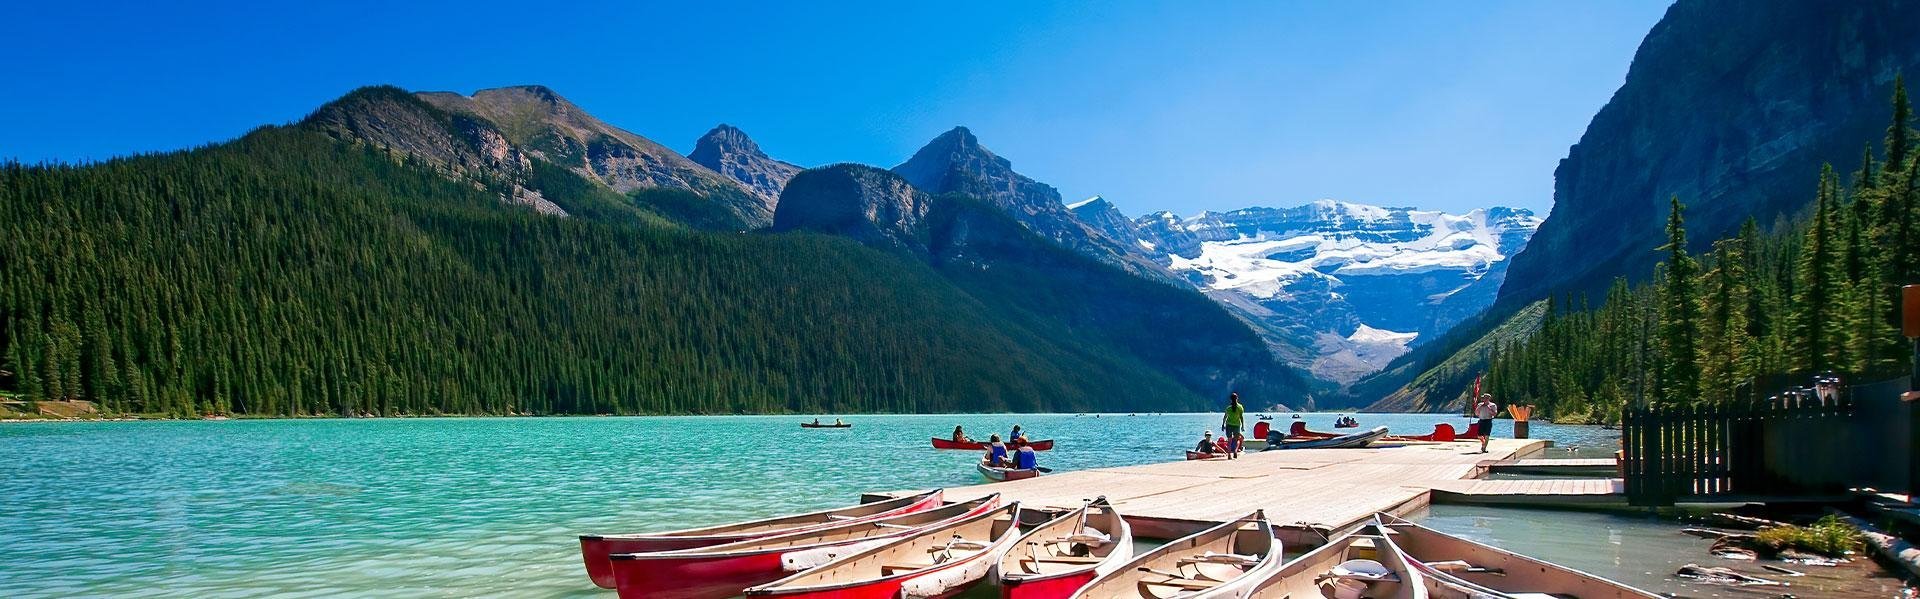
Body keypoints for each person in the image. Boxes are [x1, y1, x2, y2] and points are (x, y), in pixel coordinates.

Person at [1221, 392, 1245, 457]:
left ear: (1230, 399)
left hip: (1229, 425)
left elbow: (1225, 417)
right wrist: (1243, 426)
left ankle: (1229, 454)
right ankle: (1235, 451)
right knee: (1237, 440)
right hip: (1237, 425)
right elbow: (1241, 417)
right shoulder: (1240, 407)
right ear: (1237, 398)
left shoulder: (1228, 408)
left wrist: (1223, 425)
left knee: (1229, 440)